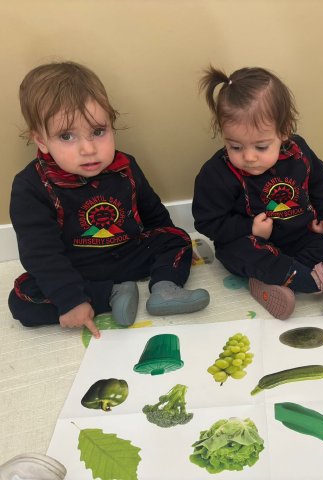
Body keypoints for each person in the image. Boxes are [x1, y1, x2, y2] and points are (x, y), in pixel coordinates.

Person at [8, 61, 210, 338]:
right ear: (41, 141)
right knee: (21, 299)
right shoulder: (30, 186)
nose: (88, 148)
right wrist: (71, 300)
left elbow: (153, 213)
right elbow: (40, 254)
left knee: (176, 238)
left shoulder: (126, 167)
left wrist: (171, 254)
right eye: (67, 136)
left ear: (111, 125)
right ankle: (110, 295)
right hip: (76, 268)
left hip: (128, 253)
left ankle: (164, 289)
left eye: (98, 131)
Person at [192, 66, 323, 320]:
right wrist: (250, 228)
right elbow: (207, 221)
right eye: (235, 146)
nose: (248, 157)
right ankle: (311, 282)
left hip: (297, 236)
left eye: (261, 146)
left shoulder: (299, 152)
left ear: (284, 131)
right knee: (242, 254)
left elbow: (318, 181)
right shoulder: (216, 173)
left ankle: (276, 280)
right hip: (251, 242)